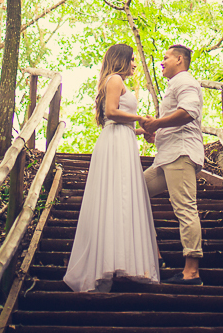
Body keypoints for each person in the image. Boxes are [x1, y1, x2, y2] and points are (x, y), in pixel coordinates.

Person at [63, 43, 161, 292]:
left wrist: (139, 129)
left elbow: (117, 118)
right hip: (116, 143)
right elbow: (111, 111)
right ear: (122, 60)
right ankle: (111, 262)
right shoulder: (115, 79)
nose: (135, 65)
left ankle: (121, 260)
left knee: (122, 198)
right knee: (118, 196)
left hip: (123, 139)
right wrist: (140, 117)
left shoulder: (115, 80)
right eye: (132, 60)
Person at [141, 44, 203, 285]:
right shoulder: (174, 85)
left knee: (185, 208)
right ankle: (153, 255)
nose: (162, 62)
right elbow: (173, 122)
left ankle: (191, 271)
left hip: (180, 155)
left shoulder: (185, 81)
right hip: (166, 156)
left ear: (180, 59)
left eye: (166, 58)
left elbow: (188, 113)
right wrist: (155, 132)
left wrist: (157, 124)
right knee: (135, 192)